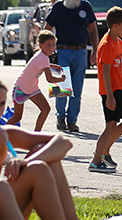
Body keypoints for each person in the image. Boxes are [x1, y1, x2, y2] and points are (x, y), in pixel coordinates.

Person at [0, 80, 78, 220]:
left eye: (1, 104)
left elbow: (63, 142)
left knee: (41, 155)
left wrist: (27, 162)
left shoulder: (4, 133)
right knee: (2, 189)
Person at [43, 0, 100, 133]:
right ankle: (60, 118)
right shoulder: (58, 8)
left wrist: (95, 50)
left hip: (81, 51)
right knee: (61, 87)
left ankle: (72, 120)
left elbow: (93, 30)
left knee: (77, 88)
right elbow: (47, 29)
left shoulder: (86, 7)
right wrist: (46, 50)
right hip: (62, 51)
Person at [89, 7, 122, 173]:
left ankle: (105, 151)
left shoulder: (118, 41)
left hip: (119, 90)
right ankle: (95, 161)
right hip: (110, 92)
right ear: (115, 26)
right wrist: (109, 96)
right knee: (110, 126)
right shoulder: (107, 44)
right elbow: (105, 72)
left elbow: (119, 69)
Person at [9, 30, 63, 131]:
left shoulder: (42, 55)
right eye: (48, 45)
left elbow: (41, 65)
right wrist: (62, 79)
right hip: (21, 88)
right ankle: (2, 134)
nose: (52, 47)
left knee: (45, 109)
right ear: (41, 45)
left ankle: (36, 134)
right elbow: (50, 79)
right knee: (17, 117)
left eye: (53, 45)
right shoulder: (43, 58)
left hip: (32, 89)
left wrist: (53, 66)